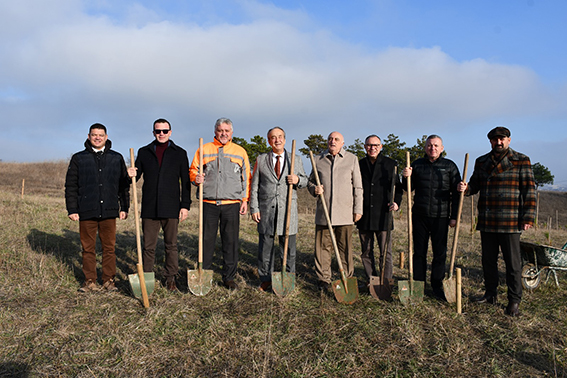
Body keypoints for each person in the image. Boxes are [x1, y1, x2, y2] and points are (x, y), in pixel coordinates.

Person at [458, 126, 536, 317]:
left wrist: (528, 217)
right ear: (490, 142)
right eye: (495, 140)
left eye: (502, 139)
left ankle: (514, 300)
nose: (498, 142)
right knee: (488, 261)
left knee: (512, 264)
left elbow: (529, 191)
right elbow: (475, 185)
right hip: (488, 220)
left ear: (509, 140)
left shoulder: (521, 160)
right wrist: (466, 188)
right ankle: (490, 294)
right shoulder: (482, 161)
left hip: (510, 221)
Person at [127, 118, 191, 292]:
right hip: (150, 207)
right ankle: (147, 278)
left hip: (171, 207)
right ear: (153, 132)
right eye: (158, 131)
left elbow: (186, 181)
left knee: (171, 245)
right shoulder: (144, 152)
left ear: (170, 132)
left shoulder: (180, 153)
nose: (161, 134)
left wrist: (185, 205)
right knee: (148, 246)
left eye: (164, 131)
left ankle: (170, 279)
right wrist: (130, 173)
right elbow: (135, 178)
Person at [65, 123, 130, 292]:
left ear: (106, 137)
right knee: (88, 248)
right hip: (86, 210)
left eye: (101, 135)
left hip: (109, 210)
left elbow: (123, 186)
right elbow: (71, 186)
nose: (97, 138)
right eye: (94, 135)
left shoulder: (116, 158)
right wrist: (72, 209)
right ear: (88, 136)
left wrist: (124, 207)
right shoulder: (79, 158)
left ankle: (108, 280)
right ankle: (89, 281)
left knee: (109, 248)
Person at [190, 118, 251, 290]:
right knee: (206, 241)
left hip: (231, 204)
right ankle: (205, 275)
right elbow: (193, 169)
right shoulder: (204, 149)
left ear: (232, 132)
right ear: (215, 132)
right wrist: (196, 178)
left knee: (230, 242)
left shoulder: (240, 152)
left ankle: (229, 277)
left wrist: (244, 200)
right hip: (208, 202)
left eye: (227, 130)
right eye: (220, 130)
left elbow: (246, 179)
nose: (223, 133)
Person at [402, 135, 461, 300]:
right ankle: (418, 285)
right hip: (419, 215)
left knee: (439, 253)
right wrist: (405, 176)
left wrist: (454, 216)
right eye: (429, 145)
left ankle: (437, 286)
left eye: (436, 145)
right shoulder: (417, 165)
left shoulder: (450, 167)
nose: (432, 148)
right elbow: (408, 189)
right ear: (425, 147)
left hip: (441, 216)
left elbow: (457, 194)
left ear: (442, 148)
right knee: (419, 252)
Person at [250, 127, 308, 292]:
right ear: (269, 140)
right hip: (266, 209)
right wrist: (254, 207)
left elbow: (305, 181)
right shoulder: (261, 159)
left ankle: (288, 278)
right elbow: (254, 186)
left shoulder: (295, 159)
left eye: (280, 137)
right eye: (273, 137)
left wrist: (297, 179)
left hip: (288, 209)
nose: (277, 140)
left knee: (288, 248)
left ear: (284, 138)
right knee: (265, 247)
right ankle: (266, 279)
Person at [308, 131, 363, 292]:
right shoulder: (318, 159)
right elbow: (311, 181)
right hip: (324, 213)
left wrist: (358, 209)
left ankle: (346, 277)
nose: (332, 141)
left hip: (345, 213)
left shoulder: (352, 159)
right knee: (322, 248)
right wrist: (314, 189)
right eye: (330, 139)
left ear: (342, 143)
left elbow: (358, 187)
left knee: (345, 248)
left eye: (336, 139)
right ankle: (323, 279)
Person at [356, 135, 402, 285]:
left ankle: (386, 280)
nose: (372, 148)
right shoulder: (359, 164)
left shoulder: (390, 164)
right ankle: (372, 279)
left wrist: (396, 203)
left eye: (375, 145)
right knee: (366, 251)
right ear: (365, 147)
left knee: (385, 252)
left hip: (384, 214)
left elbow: (399, 188)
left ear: (381, 147)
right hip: (364, 214)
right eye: (369, 145)